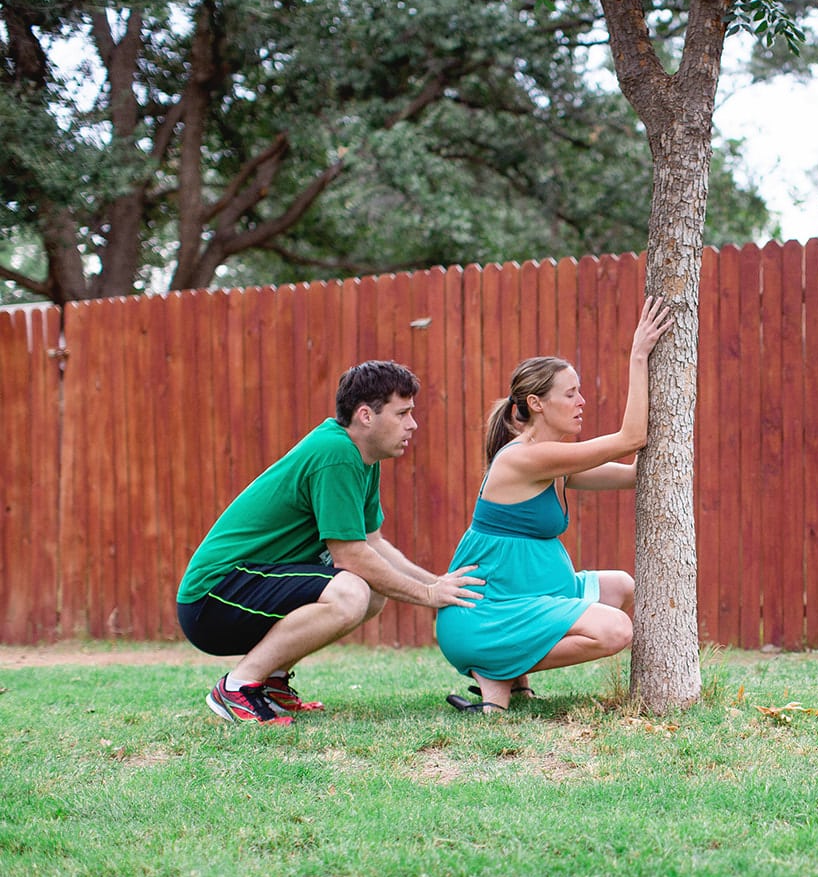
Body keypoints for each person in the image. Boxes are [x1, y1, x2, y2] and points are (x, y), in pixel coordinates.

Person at [177, 360, 484, 724]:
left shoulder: (362, 459)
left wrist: (436, 583)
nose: (412, 425)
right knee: (352, 590)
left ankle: (272, 683)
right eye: (402, 413)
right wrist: (428, 596)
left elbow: (373, 544)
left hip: (243, 589)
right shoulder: (335, 454)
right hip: (213, 598)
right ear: (366, 415)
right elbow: (351, 557)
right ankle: (237, 687)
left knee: (373, 589)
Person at [435, 296, 672, 712]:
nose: (582, 402)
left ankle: (509, 674)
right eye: (571, 394)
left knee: (619, 586)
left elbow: (635, 473)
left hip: (515, 600)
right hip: (480, 617)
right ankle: (497, 671)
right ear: (536, 403)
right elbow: (630, 439)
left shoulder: (553, 462)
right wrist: (639, 355)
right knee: (615, 630)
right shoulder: (526, 457)